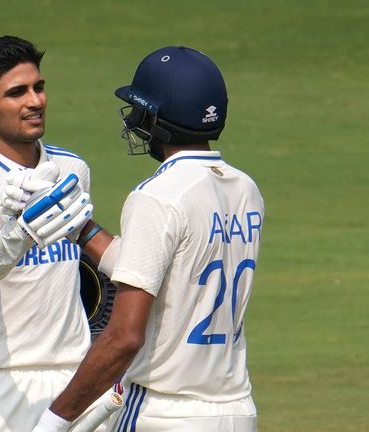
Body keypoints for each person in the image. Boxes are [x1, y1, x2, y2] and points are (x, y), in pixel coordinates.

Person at [32, 46, 265, 431]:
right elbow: (171, 269)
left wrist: (53, 420)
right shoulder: (245, 190)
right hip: (237, 410)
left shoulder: (156, 196)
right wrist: (81, 229)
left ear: (157, 118)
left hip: (163, 413)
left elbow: (124, 336)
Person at [0, 35, 103, 432]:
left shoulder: (72, 169)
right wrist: (24, 229)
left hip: (74, 378)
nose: (35, 101)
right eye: (16, 93)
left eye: (38, 87)